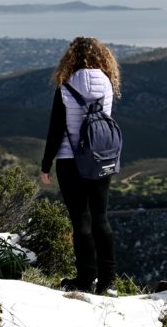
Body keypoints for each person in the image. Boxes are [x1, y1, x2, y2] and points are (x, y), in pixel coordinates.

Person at [40, 36, 120, 296]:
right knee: (101, 218)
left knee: (81, 221)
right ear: (101, 56)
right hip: (100, 158)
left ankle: (86, 279)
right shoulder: (107, 84)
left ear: (71, 58)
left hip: (69, 160)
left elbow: (55, 130)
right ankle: (108, 281)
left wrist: (45, 164)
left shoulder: (65, 86)